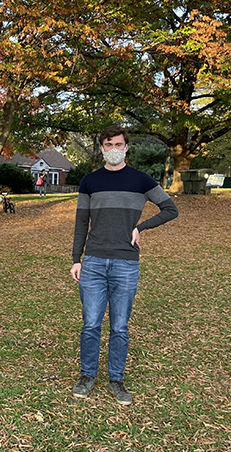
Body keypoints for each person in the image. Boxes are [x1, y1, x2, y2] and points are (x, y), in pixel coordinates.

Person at [70, 125, 178, 405]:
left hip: (126, 263)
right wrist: (76, 259)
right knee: (91, 324)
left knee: (119, 326)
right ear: (102, 148)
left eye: (119, 144)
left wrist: (141, 227)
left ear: (127, 147)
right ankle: (87, 375)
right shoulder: (89, 181)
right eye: (108, 145)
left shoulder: (141, 180)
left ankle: (116, 379)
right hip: (93, 261)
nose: (114, 149)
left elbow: (170, 209)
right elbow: (81, 222)